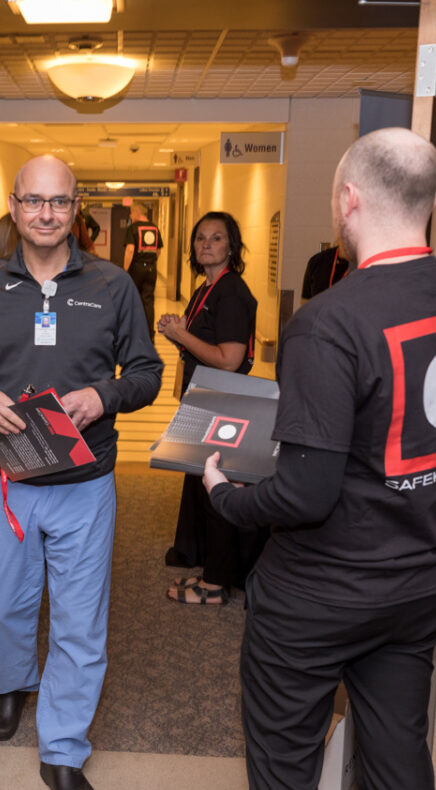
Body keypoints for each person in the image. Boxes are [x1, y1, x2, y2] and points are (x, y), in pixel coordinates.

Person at [202, 127, 436, 790]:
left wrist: (226, 496)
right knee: (398, 764)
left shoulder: (327, 324)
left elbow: (306, 496)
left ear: (348, 199)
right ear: (428, 201)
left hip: (318, 595)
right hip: (420, 587)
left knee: (286, 772)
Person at [0, 155, 163, 790]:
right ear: (14, 206)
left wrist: (103, 397)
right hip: (10, 482)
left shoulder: (112, 286)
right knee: (1, 602)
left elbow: (147, 372)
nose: (46, 214)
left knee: (80, 621)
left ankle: (62, 747)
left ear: (75, 207)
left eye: (58, 202)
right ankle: (13, 682)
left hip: (86, 482)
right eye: (33, 202)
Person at [156, 211, 264, 604]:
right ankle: (210, 569)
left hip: (222, 404)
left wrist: (182, 333)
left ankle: (216, 586)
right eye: (200, 238)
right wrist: (178, 334)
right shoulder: (206, 288)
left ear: (231, 247)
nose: (206, 244)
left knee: (216, 487)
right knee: (204, 488)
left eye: (216, 238)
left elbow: (229, 359)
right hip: (205, 399)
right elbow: (201, 346)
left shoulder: (231, 292)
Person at [123, 203, 163, 340]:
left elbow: (130, 250)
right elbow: (158, 251)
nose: (130, 216)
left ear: (136, 213)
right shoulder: (155, 228)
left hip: (136, 268)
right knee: (148, 301)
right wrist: (150, 261)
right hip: (151, 268)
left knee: (133, 299)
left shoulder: (133, 228)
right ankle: (149, 334)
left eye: (130, 213)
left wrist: (125, 270)